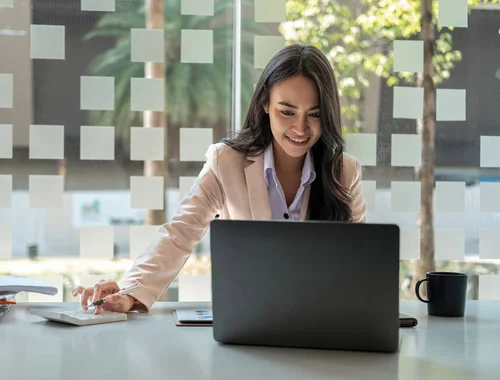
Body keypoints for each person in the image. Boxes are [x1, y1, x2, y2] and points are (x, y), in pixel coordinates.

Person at [74, 42, 366, 314]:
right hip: (251, 320)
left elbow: (358, 262)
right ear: (265, 104)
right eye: (287, 112)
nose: (300, 128)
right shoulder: (227, 162)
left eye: (314, 114)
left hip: (321, 322)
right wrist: (129, 293)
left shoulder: (344, 171)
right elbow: (180, 234)